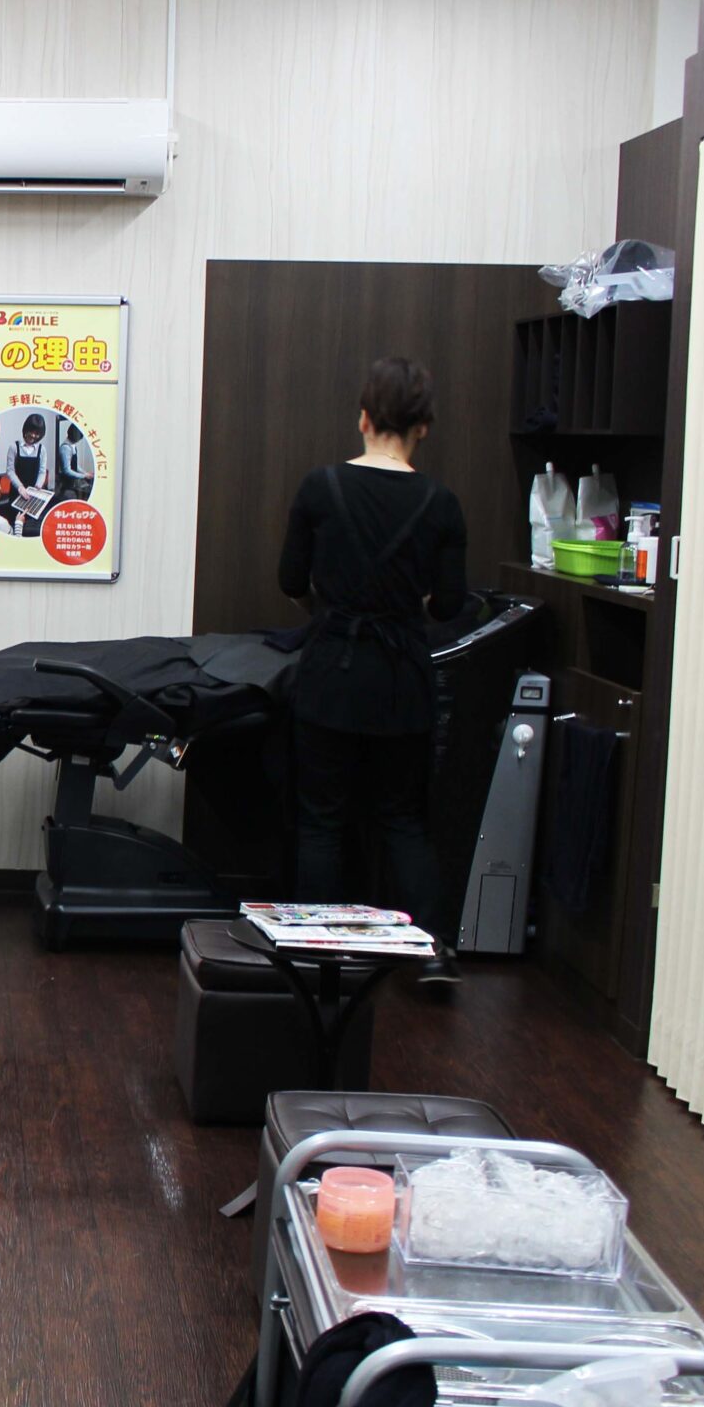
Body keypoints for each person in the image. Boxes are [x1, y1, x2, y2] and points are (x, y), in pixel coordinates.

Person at [276, 356, 469, 985]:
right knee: (403, 820)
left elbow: (290, 580)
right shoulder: (441, 504)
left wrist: (333, 612)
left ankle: (317, 952)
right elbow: (449, 605)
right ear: (423, 428)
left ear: (363, 419)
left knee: (321, 821)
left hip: (330, 674)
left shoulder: (320, 487)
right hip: (401, 680)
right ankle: (431, 954)